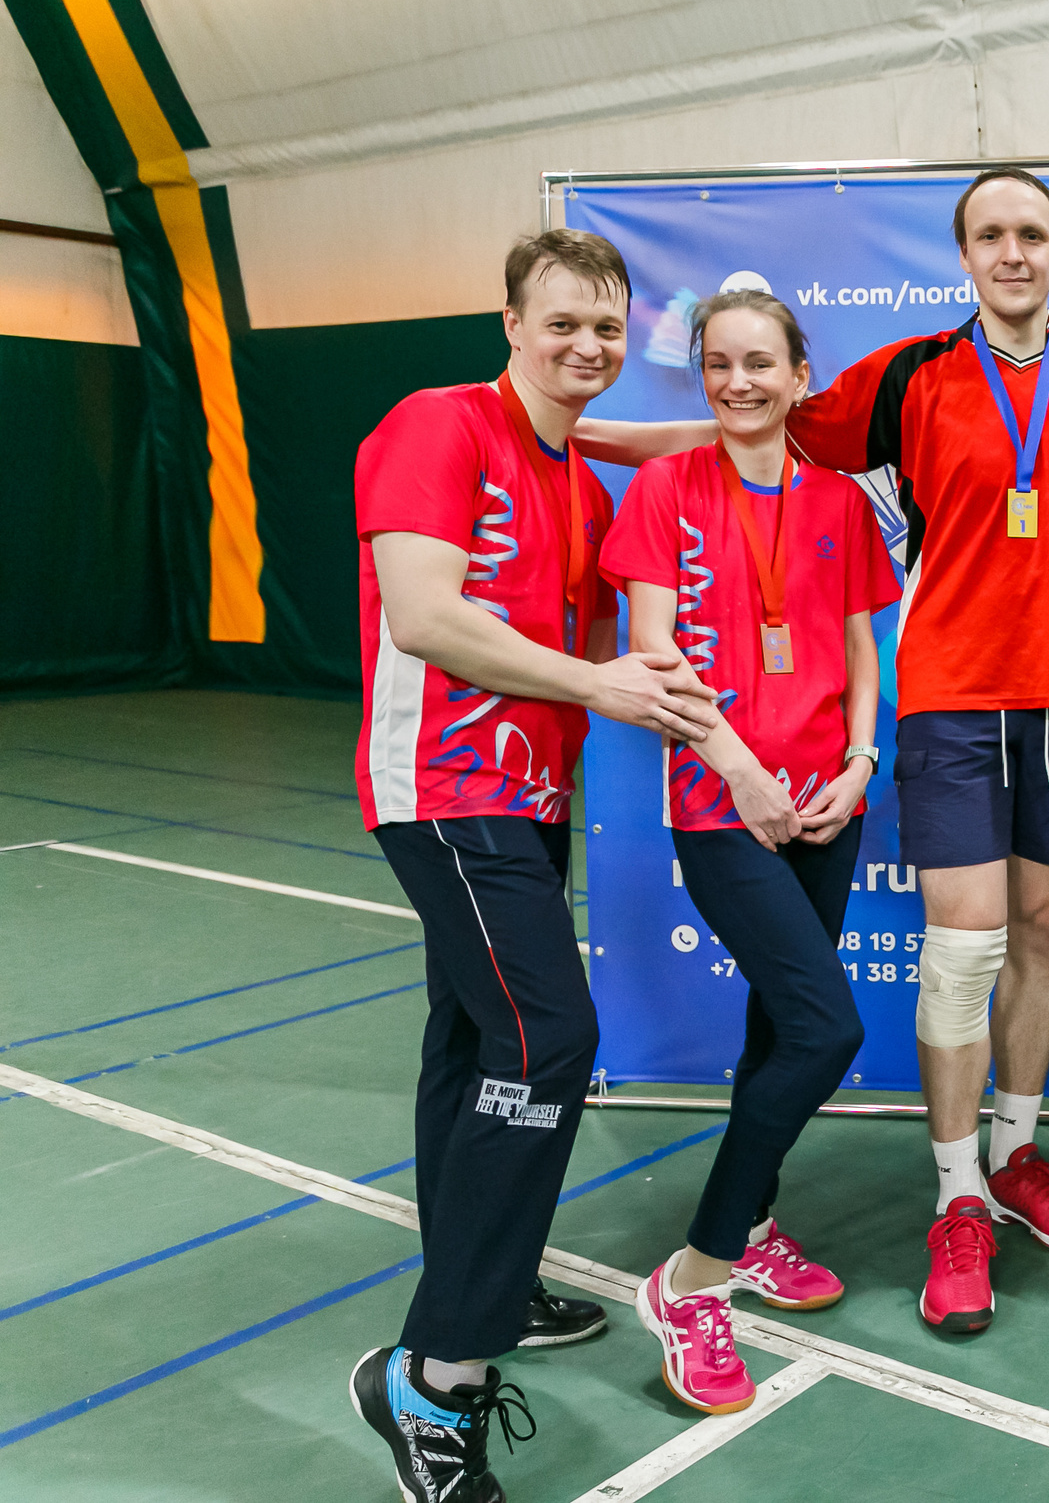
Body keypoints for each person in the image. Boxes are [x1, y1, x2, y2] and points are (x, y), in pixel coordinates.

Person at [579, 168, 1049, 1334]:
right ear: (962, 254)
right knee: (963, 952)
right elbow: (734, 424)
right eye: (989, 235)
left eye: (1031, 234)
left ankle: (1015, 1159)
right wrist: (573, 429)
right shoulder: (908, 377)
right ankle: (957, 1197)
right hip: (954, 704)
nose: (1012, 253)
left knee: (1046, 935)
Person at [348, 230, 722, 1503]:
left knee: (469, 1042)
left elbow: (678, 444)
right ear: (510, 321)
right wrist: (602, 685)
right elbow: (427, 617)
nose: (588, 348)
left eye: (608, 331)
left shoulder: (577, 471)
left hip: (525, 796)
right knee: (546, 1041)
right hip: (443, 794)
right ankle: (435, 1375)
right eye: (562, 323)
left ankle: (484, 1279)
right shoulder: (435, 426)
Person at [599, 290, 901, 1412]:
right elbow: (651, 651)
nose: (738, 383)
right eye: (719, 364)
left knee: (781, 1026)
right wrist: (737, 766)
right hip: (723, 803)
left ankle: (757, 1221)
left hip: (828, 801)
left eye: (760, 363)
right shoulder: (667, 488)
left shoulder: (837, 500)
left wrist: (862, 762)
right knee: (828, 1026)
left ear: (799, 372)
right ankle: (695, 1278)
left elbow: (862, 644)